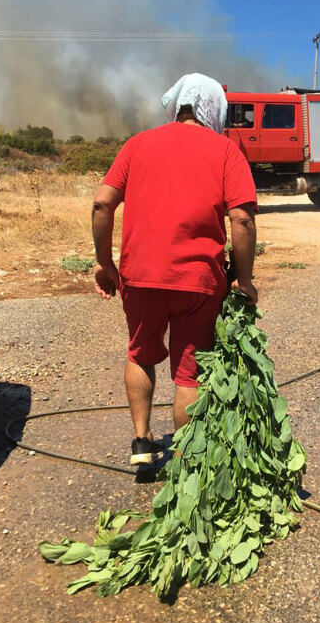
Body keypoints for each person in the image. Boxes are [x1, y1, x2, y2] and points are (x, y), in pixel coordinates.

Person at [91, 73, 258, 465]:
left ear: (178, 104)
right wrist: (245, 280)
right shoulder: (226, 151)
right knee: (189, 372)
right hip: (198, 281)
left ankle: (142, 445)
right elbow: (243, 221)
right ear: (213, 108)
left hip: (139, 276)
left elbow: (102, 204)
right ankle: (185, 462)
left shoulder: (137, 144)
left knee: (140, 354)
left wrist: (104, 263)